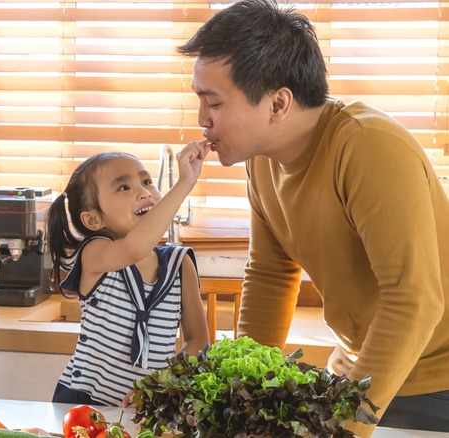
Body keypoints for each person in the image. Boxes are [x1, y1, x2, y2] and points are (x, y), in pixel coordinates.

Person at [178, 0, 449, 435]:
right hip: (354, 369)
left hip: (434, 380)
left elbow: (414, 301)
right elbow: (270, 274)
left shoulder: (367, 148)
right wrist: (240, 398)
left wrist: (348, 424)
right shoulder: (262, 161)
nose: (201, 119)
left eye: (214, 103)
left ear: (278, 103)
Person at [47, 147, 211, 407]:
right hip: (84, 405)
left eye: (146, 182)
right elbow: (134, 248)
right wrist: (184, 183)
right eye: (124, 187)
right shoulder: (95, 254)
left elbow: (198, 341)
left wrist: (161, 385)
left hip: (147, 408)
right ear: (93, 219)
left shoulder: (180, 264)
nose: (144, 192)